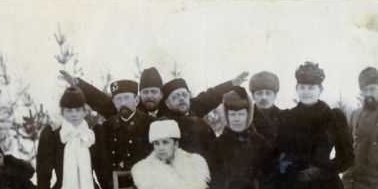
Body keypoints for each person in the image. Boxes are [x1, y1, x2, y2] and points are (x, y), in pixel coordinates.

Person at [61, 67, 248, 120]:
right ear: (139, 95)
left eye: (153, 92)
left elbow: (209, 97)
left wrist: (230, 85)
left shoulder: (175, 108)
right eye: (145, 92)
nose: (149, 96)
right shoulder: (132, 111)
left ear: (161, 96)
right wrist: (78, 84)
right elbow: (101, 101)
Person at [160, 75, 249, 162]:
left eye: (184, 95)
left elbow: (210, 96)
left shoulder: (192, 108)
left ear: (189, 97)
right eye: (175, 97)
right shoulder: (164, 124)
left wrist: (231, 84)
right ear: (167, 103)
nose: (181, 99)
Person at [249, 71, 283, 144]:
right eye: (259, 93)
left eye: (268, 93)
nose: (264, 97)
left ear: (275, 95)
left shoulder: (284, 117)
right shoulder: (245, 118)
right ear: (253, 96)